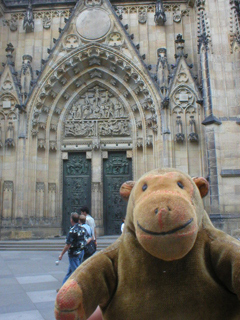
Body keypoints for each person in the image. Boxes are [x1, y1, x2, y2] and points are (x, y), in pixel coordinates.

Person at [59, 212, 86, 285]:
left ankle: (84, 288)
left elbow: (68, 244)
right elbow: (84, 240)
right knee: (70, 272)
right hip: (81, 252)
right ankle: (63, 287)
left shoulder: (72, 230)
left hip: (74, 254)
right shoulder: (82, 229)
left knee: (77, 273)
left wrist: (61, 254)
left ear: (71, 220)